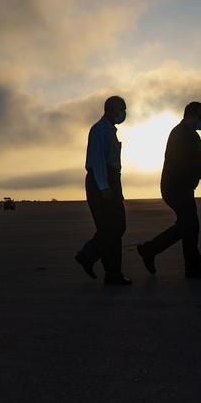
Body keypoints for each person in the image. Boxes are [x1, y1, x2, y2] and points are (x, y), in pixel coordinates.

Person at [137, 102, 201, 278]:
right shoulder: (179, 135)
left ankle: (149, 250)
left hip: (183, 188)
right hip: (175, 188)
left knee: (184, 227)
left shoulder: (192, 135)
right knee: (191, 225)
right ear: (190, 115)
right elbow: (188, 164)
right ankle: (193, 268)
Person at [75, 96, 131, 286]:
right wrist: (104, 186)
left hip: (111, 180)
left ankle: (105, 267)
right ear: (110, 109)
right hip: (102, 182)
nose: (124, 113)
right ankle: (93, 259)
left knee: (114, 228)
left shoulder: (110, 130)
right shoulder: (99, 130)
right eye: (121, 109)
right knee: (112, 228)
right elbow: (98, 160)